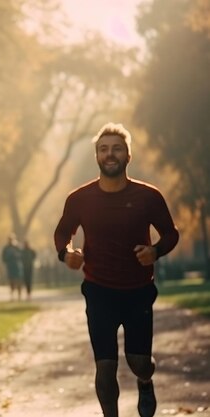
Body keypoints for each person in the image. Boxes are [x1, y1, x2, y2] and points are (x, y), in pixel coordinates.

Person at [53, 122, 179, 417]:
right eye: (103, 149)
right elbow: (63, 233)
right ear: (97, 155)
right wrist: (66, 254)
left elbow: (171, 233)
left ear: (128, 156)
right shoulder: (79, 199)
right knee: (105, 367)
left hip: (138, 291)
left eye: (117, 149)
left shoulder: (148, 196)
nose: (110, 154)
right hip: (99, 291)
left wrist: (155, 251)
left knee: (139, 362)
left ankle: (145, 381)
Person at [1, 235, 23, 300]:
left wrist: (17, 255)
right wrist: (7, 259)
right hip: (10, 266)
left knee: (18, 280)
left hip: (17, 266)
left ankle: (19, 295)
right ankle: (12, 295)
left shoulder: (17, 247)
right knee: (11, 281)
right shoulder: (6, 248)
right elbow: (3, 258)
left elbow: (21, 255)